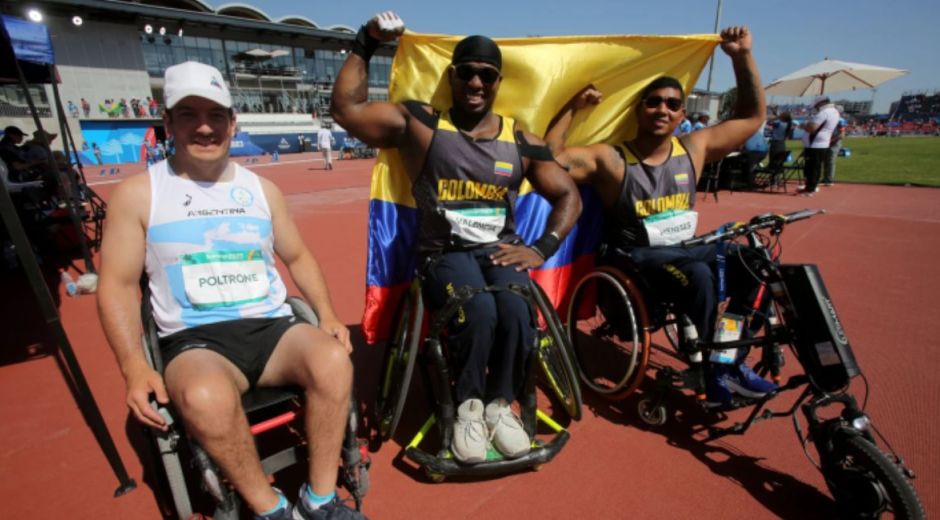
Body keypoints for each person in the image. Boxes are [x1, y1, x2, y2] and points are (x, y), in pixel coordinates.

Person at [96, 61, 364, 520]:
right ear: (168, 123)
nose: (205, 126)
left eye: (216, 115)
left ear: (232, 122)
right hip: (196, 339)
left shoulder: (262, 190)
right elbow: (117, 286)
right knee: (204, 397)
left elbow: (297, 257)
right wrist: (133, 366)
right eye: (189, 114)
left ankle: (319, 501)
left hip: (272, 327)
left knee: (333, 359)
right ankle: (271, 509)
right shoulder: (140, 194)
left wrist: (328, 315)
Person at [331, 12, 581, 463]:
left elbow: (568, 195)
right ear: (453, 76)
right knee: (479, 310)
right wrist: (366, 42)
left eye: (487, 75)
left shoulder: (520, 139)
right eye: (467, 72)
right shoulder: (422, 125)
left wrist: (542, 246)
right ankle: (468, 408)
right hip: (442, 254)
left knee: (517, 309)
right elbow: (346, 111)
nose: (476, 82)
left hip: (500, 251)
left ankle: (499, 404)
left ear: (498, 81)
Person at [546, 26, 774, 408]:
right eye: (653, 102)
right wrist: (573, 106)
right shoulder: (611, 158)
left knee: (755, 263)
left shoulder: (694, 148)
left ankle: (728, 358)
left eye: (672, 104)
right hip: (634, 257)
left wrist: (741, 56)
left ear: (682, 113)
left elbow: (752, 117)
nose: (662, 110)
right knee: (699, 276)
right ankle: (708, 369)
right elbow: (549, 162)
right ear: (638, 109)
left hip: (683, 249)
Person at [799, 95, 840, 195]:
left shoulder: (824, 113)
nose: (816, 108)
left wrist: (804, 126)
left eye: (816, 105)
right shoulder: (834, 112)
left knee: (812, 168)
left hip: (815, 144)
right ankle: (811, 186)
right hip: (821, 143)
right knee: (815, 167)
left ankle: (810, 189)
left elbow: (812, 128)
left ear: (821, 103)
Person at [822, 106, 846, 187]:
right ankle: (825, 178)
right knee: (825, 160)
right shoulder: (831, 119)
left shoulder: (840, 120)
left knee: (831, 161)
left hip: (834, 142)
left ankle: (829, 180)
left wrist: (832, 140)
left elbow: (842, 134)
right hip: (828, 141)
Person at [768, 111, 793, 183]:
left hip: (775, 143)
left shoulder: (779, 123)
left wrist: (777, 117)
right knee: (779, 161)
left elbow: (769, 122)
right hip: (781, 144)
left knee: (773, 161)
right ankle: (777, 179)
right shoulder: (787, 124)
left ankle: (773, 180)